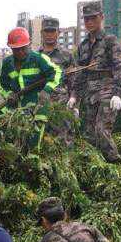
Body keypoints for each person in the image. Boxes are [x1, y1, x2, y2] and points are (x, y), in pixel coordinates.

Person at [72, 1, 121, 163]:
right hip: (90, 94)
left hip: (107, 91)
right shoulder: (83, 46)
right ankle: (96, 169)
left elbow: (120, 67)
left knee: (101, 130)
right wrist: (74, 97)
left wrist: (117, 93)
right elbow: (80, 74)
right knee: (89, 136)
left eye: (93, 18)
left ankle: (115, 164)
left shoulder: (110, 41)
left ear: (101, 17)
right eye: (86, 19)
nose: (89, 22)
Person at [39, 17, 76, 146]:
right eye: (46, 31)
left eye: (52, 31)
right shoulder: (35, 56)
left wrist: (73, 99)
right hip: (40, 104)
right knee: (41, 140)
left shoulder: (67, 55)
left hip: (61, 103)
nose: (49, 35)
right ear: (41, 33)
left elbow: (73, 80)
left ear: (58, 32)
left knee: (64, 140)